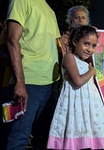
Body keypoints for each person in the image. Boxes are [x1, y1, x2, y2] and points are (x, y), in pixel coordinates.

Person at [47, 25, 104, 149]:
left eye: (93, 46)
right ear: (75, 42)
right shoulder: (69, 57)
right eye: (86, 44)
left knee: (90, 141)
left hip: (89, 108)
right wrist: (91, 72)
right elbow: (78, 81)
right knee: (76, 139)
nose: (89, 49)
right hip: (75, 107)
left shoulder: (86, 63)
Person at [5, 0, 60, 149]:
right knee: (19, 137)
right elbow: (11, 40)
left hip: (51, 83)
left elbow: (56, 45)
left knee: (43, 138)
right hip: (29, 82)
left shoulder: (49, 8)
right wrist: (20, 82)